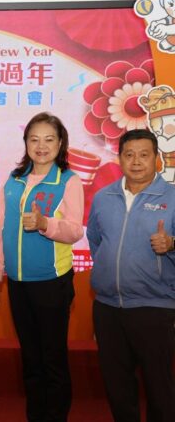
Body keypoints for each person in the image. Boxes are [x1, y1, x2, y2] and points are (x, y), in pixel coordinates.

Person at [0, 112, 84, 422]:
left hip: (51, 282)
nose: (41, 146)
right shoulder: (14, 181)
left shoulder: (67, 180)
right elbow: (1, 230)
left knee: (52, 359)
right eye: (34, 139)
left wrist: (45, 224)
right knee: (30, 358)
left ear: (61, 143)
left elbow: (75, 230)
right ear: (26, 142)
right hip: (18, 283)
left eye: (49, 140)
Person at [87, 129, 175, 422]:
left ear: (156, 159)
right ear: (120, 158)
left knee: (159, 388)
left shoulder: (172, 197)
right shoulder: (103, 197)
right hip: (108, 307)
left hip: (154, 306)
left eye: (144, 155)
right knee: (117, 387)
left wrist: (171, 245)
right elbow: (96, 241)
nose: (136, 161)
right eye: (129, 154)